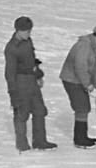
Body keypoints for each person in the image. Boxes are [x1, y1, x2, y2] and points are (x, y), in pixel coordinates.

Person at [4, 16, 57, 152]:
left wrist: (38, 75)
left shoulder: (28, 42)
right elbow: (9, 73)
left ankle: (40, 141)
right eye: (26, 31)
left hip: (32, 80)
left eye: (29, 30)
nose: (29, 33)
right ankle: (22, 144)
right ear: (18, 30)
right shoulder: (11, 48)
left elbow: (32, 61)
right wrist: (13, 93)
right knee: (21, 112)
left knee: (40, 110)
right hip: (20, 81)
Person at [59, 23, 96, 148]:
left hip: (80, 80)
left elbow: (94, 66)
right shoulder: (84, 46)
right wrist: (88, 84)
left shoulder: (95, 46)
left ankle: (82, 136)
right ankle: (79, 139)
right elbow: (80, 67)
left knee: (84, 107)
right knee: (82, 108)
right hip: (72, 79)